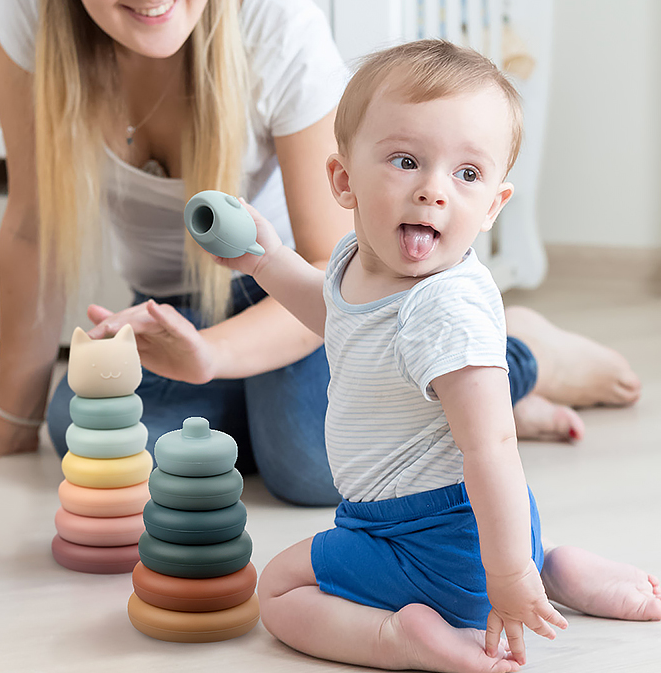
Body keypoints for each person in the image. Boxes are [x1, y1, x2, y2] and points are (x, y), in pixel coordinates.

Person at [0, 0, 640, 507]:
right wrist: (12, 421)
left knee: (307, 464)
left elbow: (334, 276)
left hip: (307, 293)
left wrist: (211, 360)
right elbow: (32, 225)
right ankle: (429, 400)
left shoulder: (279, 27)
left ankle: (509, 354)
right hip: (181, 304)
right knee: (83, 429)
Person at [210, 40, 661, 671]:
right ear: (344, 180)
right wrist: (264, 260)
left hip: (433, 540)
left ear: (491, 208)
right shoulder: (356, 264)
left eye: (467, 174)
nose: (433, 190)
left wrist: (501, 577)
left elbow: (494, 448)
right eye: (405, 160)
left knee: (280, 589)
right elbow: (337, 320)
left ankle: (400, 637)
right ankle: (552, 566)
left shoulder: (444, 308)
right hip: (478, 530)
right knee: (504, 557)